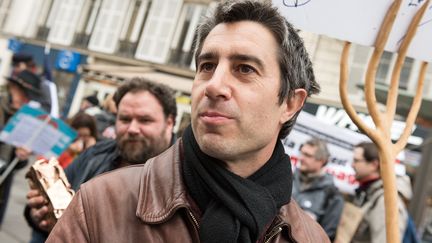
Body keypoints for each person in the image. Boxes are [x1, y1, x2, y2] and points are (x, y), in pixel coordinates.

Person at [47, 1, 329, 242]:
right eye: (207, 66)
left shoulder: (310, 237)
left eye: (245, 69)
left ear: (290, 103)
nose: (214, 85)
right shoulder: (101, 204)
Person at [25, 77, 177, 243]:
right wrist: (39, 216)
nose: (132, 129)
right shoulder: (94, 155)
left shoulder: (183, 177)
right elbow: (52, 218)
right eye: (125, 119)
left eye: (145, 120)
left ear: (170, 123)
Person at [0, 70, 47, 226]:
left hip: (3, 178)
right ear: (13, 87)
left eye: (29, 96)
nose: (26, 99)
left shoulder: (25, 118)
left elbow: (16, 163)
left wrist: (22, 156)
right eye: (24, 94)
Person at [350, 142, 410, 243]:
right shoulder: (367, 194)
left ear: (374, 165)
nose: (352, 165)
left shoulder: (385, 202)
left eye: (356, 161)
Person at [292, 138, 344, 241]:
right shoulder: (288, 179)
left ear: (322, 161)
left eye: (308, 155)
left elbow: (326, 236)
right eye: (301, 153)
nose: (301, 158)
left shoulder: (332, 196)